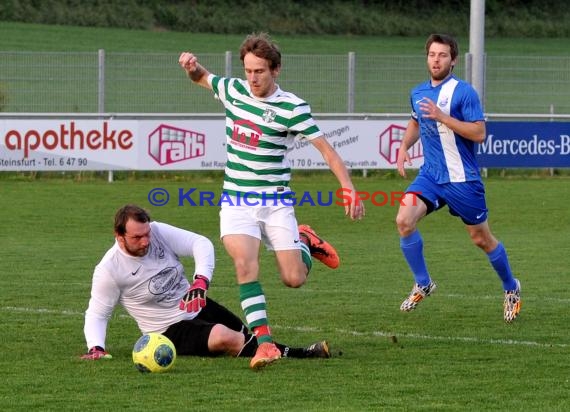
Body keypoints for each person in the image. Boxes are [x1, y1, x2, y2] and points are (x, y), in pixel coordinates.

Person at [178, 32, 365, 369]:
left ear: (275, 70)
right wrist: (191, 66)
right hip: (236, 201)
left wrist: (348, 187)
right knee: (245, 265)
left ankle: (305, 240)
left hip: (275, 202)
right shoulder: (234, 90)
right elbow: (201, 78)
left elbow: (327, 151)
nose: (253, 78)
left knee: (293, 279)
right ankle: (265, 344)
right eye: (249, 70)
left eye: (260, 71)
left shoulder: (292, 107)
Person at [80, 204, 331, 364]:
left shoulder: (156, 232)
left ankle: (303, 242)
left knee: (250, 334)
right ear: (119, 236)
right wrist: (96, 348)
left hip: (196, 304)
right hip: (168, 330)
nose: (146, 241)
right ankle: (303, 354)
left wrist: (200, 280)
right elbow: (98, 313)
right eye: (137, 237)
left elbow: (200, 243)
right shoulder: (109, 269)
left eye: (146, 234)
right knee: (228, 338)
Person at [395, 33, 521, 323]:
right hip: (430, 176)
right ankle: (423, 283)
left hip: (462, 180)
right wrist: (403, 147)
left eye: (442, 55)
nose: (436, 60)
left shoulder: (464, 92)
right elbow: (416, 121)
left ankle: (511, 287)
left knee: (481, 239)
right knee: (404, 221)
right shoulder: (417, 92)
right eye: (432, 54)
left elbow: (479, 133)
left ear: (453, 61)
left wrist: (443, 117)